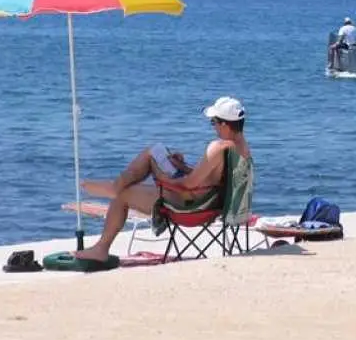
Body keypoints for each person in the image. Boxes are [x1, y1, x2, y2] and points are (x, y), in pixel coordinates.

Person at [74, 96, 250, 261]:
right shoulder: (243, 149)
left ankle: (101, 248)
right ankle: (116, 186)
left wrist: (165, 180)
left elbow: (189, 184)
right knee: (154, 152)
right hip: (210, 202)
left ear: (224, 124)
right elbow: (212, 179)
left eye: (214, 122)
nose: (213, 127)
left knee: (122, 195)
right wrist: (183, 167)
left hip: (189, 206)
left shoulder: (217, 147)